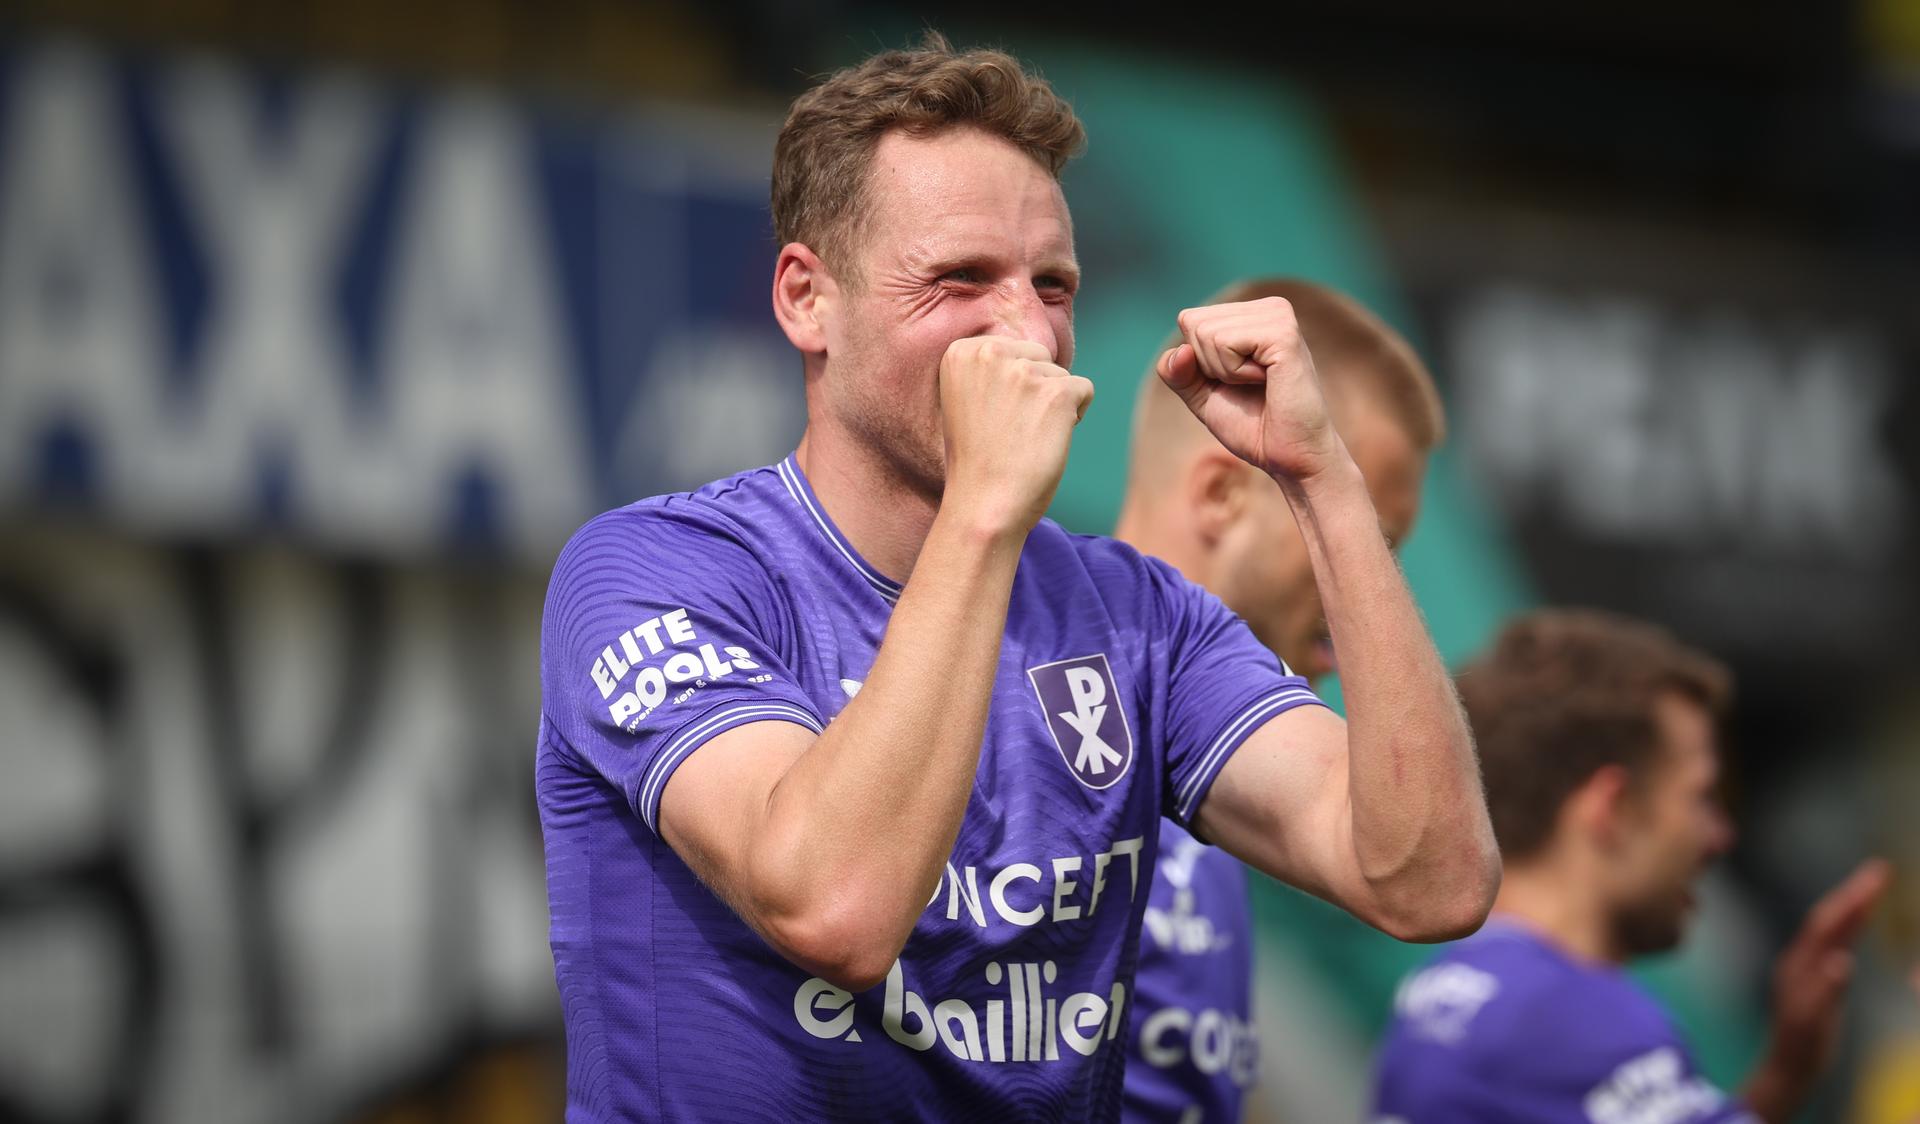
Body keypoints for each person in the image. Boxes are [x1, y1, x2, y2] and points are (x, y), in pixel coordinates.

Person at [536, 34, 1499, 1121]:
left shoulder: (1139, 617)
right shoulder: (659, 570)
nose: (1027, 331)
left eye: (1053, 284)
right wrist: (984, 510)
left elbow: (1427, 878)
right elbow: (835, 907)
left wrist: (1323, 480)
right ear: (808, 299)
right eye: (959, 280)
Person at [1114, 278, 1446, 1123]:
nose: (1363, 602)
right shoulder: (1011, 694)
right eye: (1350, 535)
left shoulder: (1246, 753)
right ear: (1222, 495)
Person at [1371, 609, 1889, 1124]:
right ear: (1612, 809)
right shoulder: (1569, 1016)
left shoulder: (1450, 992)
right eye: (1701, 796)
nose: (1720, 835)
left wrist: (1787, 1072)